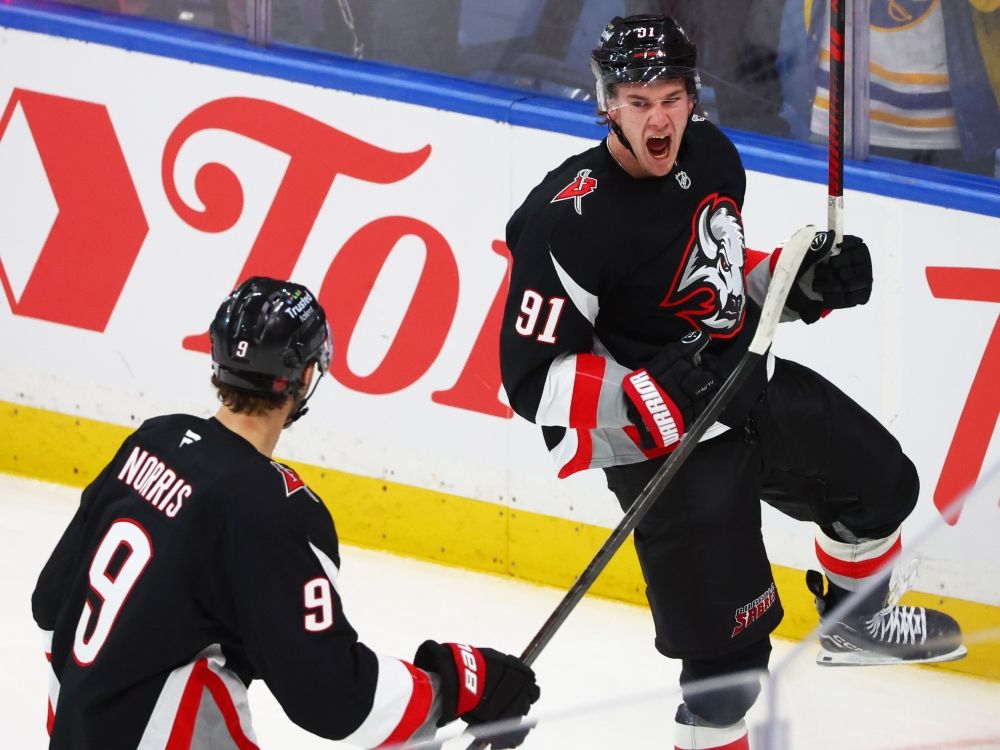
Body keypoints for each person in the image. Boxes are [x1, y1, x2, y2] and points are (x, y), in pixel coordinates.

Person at [498, 15, 964, 750]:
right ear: (607, 103)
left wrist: (804, 279)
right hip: (665, 450)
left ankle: (856, 620)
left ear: (693, 97)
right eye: (639, 99)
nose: (659, 117)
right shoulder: (570, 222)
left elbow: (718, 281)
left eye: (672, 97)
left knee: (881, 488)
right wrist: (647, 391)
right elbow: (530, 381)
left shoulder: (712, 157)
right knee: (727, 677)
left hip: (748, 384)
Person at [32, 277, 539, 749]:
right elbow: (333, 696)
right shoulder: (272, 506)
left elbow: (50, 602)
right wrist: (457, 681)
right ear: (306, 374)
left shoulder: (153, 439)